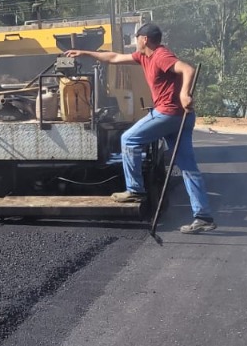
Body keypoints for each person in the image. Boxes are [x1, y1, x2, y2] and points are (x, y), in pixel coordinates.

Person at [65, 23, 215, 234]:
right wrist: (86, 53)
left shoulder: (161, 55)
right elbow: (115, 58)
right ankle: (203, 216)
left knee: (129, 139)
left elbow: (187, 69)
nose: (135, 42)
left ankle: (135, 189)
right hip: (180, 117)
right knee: (188, 167)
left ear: (144, 39)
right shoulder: (142, 57)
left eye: (136, 38)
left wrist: (184, 94)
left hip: (169, 113)